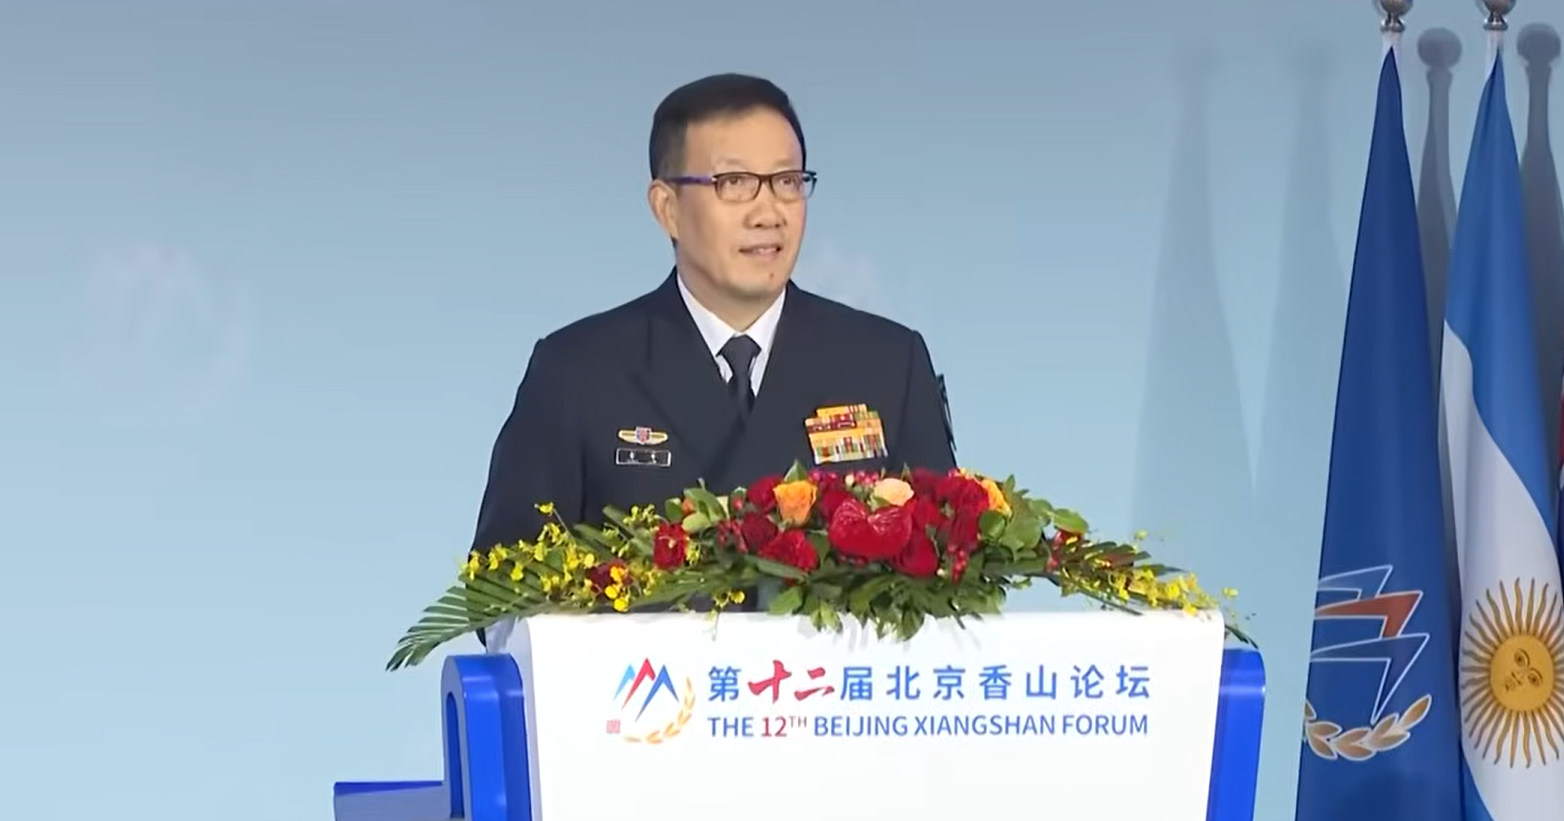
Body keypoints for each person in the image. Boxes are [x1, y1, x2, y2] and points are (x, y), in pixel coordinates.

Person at [469, 72, 957, 580]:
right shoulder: (578, 372)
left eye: (787, 181)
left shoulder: (887, 363)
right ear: (668, 209)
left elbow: (948, 575)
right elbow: (503, 586)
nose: (768, 212)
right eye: (735, 184)